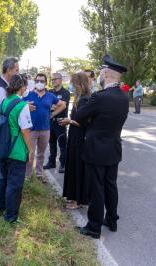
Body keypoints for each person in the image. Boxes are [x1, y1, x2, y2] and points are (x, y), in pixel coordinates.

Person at [75, 55, 129, 239]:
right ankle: (112, 219)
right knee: (110, 186)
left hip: (96, 150)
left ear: (106, 74)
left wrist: (90, 117)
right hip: (113, 148)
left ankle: (94, 227)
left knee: (96, 188)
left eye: (100, 72)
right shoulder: (123, 97)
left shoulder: (99, 97)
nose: (98, 75)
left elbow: (79, 116)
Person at [0, 74, 33, 223]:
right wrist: (30, 150)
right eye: (25, 86)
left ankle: (0, 207)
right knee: (15, 184)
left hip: (3, 148)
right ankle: (10, 217)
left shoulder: (4, 101)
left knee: (2, 179)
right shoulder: (22, 105)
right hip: (17, 151)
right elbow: (25, 131)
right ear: (22, 87)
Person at [23, 73, 66, 180]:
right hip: (31, 130)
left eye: (42, 81)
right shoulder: (28, 95)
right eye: (37, 81)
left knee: (41, 154)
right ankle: (27, 176)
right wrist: (25, 106)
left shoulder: (50, 96)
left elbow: (63, 105)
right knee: (30, 154)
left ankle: (39, 173)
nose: (39, 83)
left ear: (46, 83)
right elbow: (18, 106)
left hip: (45, 130)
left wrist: (53, 114)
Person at [59, 72, 91, 209]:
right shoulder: (81, 98)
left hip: (79, 138)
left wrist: (69, 121)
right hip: (75, 136)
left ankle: (77, 201)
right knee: (76, 167)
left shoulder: (84, 99)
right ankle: (79, 199)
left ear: (78, 84)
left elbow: (84, 122)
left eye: (72, 82)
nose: (70, 85)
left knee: (76, 167)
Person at [0, 58, 19, 191]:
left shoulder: (5, 84)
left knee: (0, 156)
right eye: (16, 70)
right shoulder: (0, 87)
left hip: (2, 126)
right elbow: (3, 108)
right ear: (8, 70)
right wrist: (21, 106)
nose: (18, 73)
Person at [44, 73, 70, 173]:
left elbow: (62, 105)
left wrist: (54, 107)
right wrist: (56, 105)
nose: (53, 81)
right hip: (50, 122)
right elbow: (48, 105)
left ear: (61, 80)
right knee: (51, 143)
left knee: (62, 144)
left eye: (55, 79)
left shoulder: (66, 92)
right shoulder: (49, 92)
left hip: (61, 122)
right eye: (52, 79)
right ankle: (51, 162)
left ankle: (63, 164)